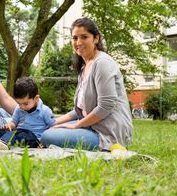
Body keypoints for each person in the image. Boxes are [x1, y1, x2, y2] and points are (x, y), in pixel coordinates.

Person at [40, 17, 133, 151]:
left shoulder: (102, 63)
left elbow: (106, 106)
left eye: (84, 37)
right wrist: (53, 122)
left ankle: (110, 147)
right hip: (92, 126)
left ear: (96, 38)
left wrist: (76, 126)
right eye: (75, 38)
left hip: (107, 132)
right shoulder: (85, 67)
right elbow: (79, 111)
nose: (78, 42)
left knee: (47, 136)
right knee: (49, 129)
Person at [0, 77, 56, 150]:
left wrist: (44, 142)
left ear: (36, 98)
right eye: (19, 103)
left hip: (34, 139)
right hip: (19, 134)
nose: (22, 107)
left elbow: (52, 127)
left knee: (21, 133)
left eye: (25, 104)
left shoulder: (45, 111)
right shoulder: (18, 108)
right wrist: (9, 126)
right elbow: (14, 123)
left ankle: (3, 142)